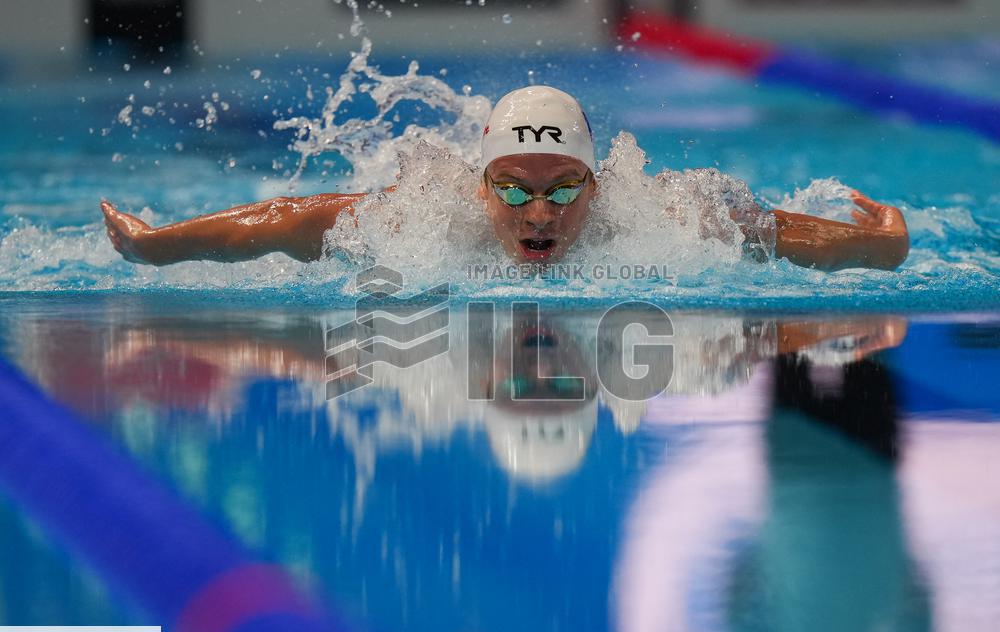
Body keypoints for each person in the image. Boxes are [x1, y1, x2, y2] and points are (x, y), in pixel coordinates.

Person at [102, 86, 909, 271]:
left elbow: (781, 231)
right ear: (479, 187)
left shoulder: (665, 218)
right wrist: (155, 248)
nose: (539, 211)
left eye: (564, 188)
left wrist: (883, 242)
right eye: (514, 188)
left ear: (598, 187)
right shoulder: (424, 214)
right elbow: (286, 219)